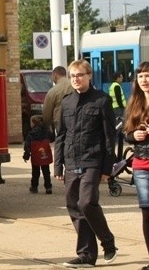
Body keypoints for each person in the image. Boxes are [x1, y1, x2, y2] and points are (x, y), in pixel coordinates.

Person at [54, 59, 118, 268]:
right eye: (72, 76)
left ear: (89, 76)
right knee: (74, 207)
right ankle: (86, 255)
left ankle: (108, 242)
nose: (75, 79)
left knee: (86, 203)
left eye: (80, 75)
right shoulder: (66, 102)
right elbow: (61, 135)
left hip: (93, 160)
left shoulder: (102, 101)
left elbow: (110, 138)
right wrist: (58, 165)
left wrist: (108, 168)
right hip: (71, 161)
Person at [123, 62, 149, 270]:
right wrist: (134, 135)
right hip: (142, 165)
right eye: (141, 77)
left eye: (148, 76)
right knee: (147, 213)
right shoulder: (134, 103)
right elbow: (126, 133)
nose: (144, 80)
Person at [23, 115, 54, 194]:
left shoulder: (31, 134)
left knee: (35, 172)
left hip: (35, 155)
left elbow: (27, 146)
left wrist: (26, 155)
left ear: (33, 123)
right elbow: (52, 138)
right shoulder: (46, 132)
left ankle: (34, 187)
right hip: (45, 155)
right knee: (46, 172)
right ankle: (48, 187)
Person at [42, 66, 74, 137]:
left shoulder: (53, 91)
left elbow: (47, 113)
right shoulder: (75, 86)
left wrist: (47, 128)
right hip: (76, 122)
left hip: (61, 124)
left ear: (55, 75)